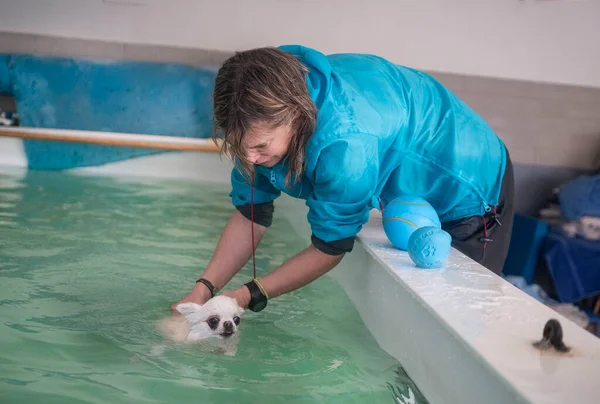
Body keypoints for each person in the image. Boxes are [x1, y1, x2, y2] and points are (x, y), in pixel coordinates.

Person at [172, 45, 514, 312]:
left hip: (470, 180)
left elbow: (330, 247)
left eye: (260, 147)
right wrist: (201, 291)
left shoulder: (345, 145)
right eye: (239, 145)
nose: (249, 159)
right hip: (397, 143)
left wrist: (245, 296)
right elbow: (251, 213)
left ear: (296, 116)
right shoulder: (260, 98)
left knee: (459, 320)